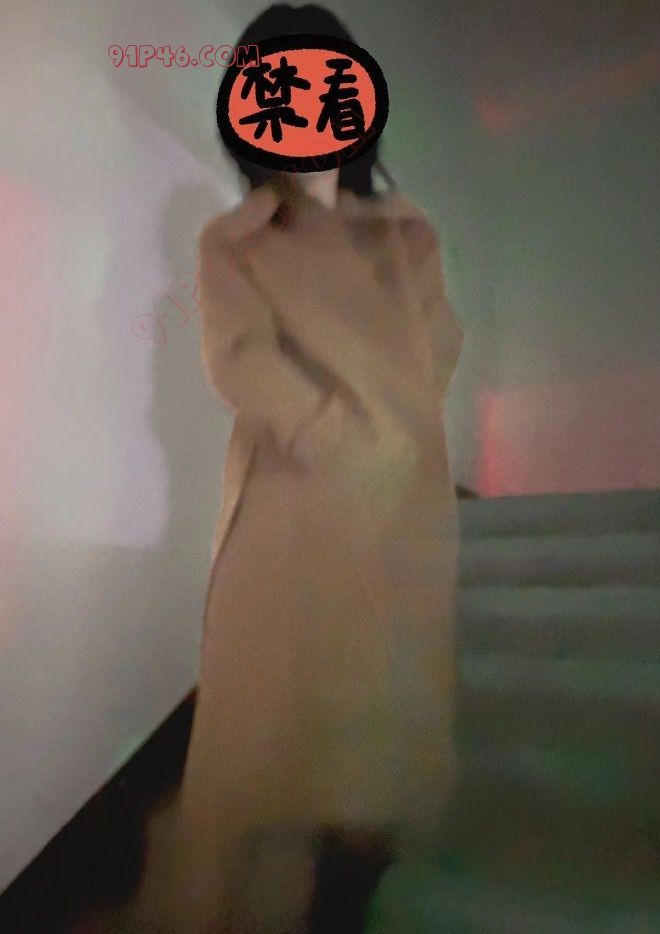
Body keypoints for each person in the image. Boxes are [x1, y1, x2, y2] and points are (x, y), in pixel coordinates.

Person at [127, 6, 465, 933]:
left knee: (371, 757)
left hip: (399, 508)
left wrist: (393, 437)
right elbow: (239, 359)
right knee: (268, 758)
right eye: (279, 83)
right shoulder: (235, 241)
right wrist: (335, 430)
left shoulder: (406, 235)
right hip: (291, 506)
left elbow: (440, 344)